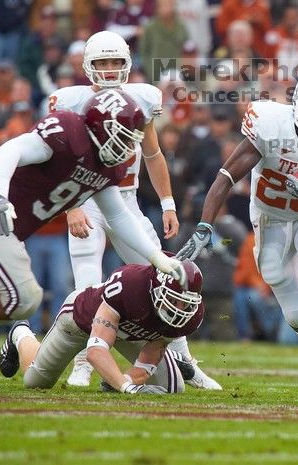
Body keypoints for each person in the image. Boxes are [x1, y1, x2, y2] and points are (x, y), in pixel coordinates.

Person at [0, 89, 186, 392]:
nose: (131, 144)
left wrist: (158, 258)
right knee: (22, 298)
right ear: (103, 127)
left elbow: (118, 217)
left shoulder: (107, 167)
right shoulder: (67, 132)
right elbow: (10, 150)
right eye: (126, 135)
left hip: (0, 229)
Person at [178, 68, 298, 393]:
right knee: (296, 317)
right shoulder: (270, 124)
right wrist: (204, 225)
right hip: (270, 219)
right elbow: (226, 177)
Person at [49, 31, 219, 390]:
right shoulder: (72, 102)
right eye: (101, 63)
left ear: (127, 64)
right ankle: (83, 362)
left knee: (166, 278)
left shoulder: (142, 99)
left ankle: (187, 364)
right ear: (87, 67)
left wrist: (168, 202)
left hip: (125, 202)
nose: (109, 70)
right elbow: (57, 161)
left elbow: (154, 155)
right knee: (86, 283)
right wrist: (71, 208)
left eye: (115, 62)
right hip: (87, 201)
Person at [0, 259, 204, 394]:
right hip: (80, 322)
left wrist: (125, 379)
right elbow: (95, 352)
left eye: (185, 303)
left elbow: (152, 352)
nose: (179, 309)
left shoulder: (190, 315)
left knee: (173, 387)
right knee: (35, 381)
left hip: (130, 333)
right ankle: (20, 333)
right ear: (158, 287)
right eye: (173, 299)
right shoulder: (131, 285)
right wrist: (127, 387)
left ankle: (112, 381)